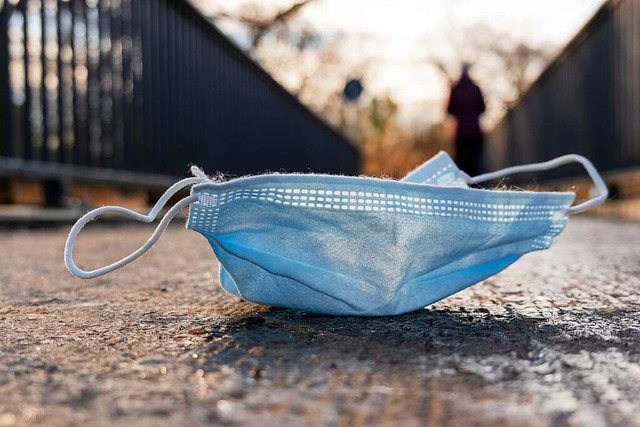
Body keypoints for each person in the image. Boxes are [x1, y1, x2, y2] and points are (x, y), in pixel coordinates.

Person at [446, 64, 486, 177]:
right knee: (475, 161)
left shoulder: (455, 89)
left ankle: (463, 186)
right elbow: (483, 108)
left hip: (460, 132)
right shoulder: (475, 89)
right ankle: (475, 186)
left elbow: (449, 110)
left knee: (461, 162)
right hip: (475, 131)